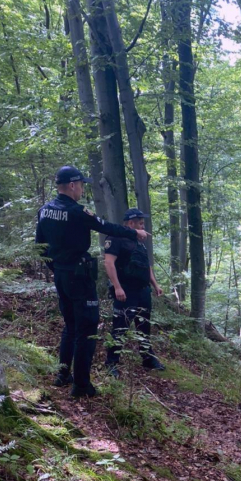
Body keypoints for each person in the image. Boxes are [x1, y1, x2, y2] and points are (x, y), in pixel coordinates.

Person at [35, 165, 148, 398]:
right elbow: (104, 226)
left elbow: (40, 247)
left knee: (70, 325)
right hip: (79, 275)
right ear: (73, 185)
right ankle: (82, 385)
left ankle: (62, 374)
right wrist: (133, 233)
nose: (82, 189)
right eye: (82, 185)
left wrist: (56, 268)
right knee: (87, 328)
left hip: (61, 275)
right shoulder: (77, 211)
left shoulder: (44, 211)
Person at [103, 208, 165, 377]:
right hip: (126, 290)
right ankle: (111, 363)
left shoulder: (139, 243)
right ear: (131, 223)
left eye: (143, 223)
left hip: (143, 290)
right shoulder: (116, 238)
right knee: (120, 326)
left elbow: (147, 266)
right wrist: (117, 287)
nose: (143, 226)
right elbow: (109, 263)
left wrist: (155, 284)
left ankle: (147, 358)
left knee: (144, 325)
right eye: (140, 223)